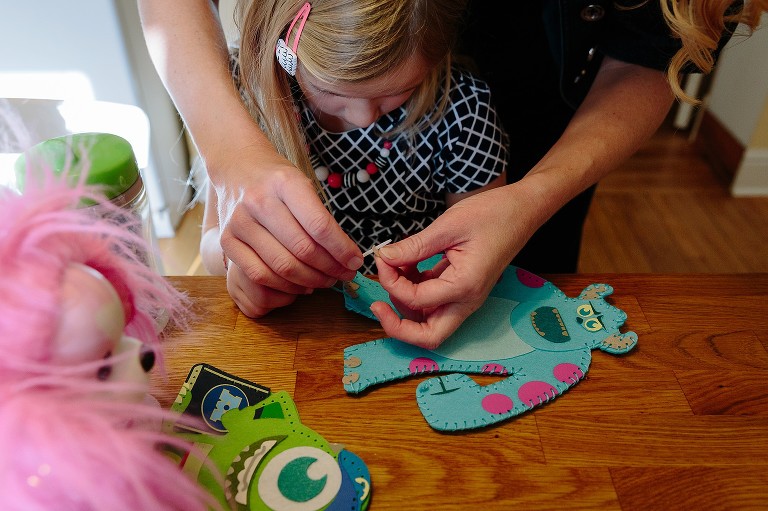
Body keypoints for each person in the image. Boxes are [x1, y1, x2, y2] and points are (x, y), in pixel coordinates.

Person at [139, 0, 768, 348]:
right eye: (336, 103)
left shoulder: (465, 113)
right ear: (285, 53)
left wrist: (525, 204)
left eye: (390, 104)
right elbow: (220, 263)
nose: (363, 125)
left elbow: (646, 58)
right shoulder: (262, 101)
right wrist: (244, 256)